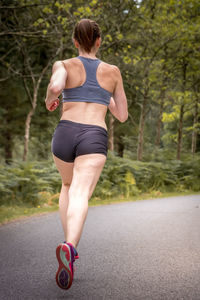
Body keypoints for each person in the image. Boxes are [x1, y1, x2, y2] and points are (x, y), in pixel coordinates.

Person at [45, 18, 128, 290]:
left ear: (75, 41)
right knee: (81, 193)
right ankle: (70, 245)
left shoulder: (64, 65)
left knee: (67, 186)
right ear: (99, 41)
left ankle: (68, 243)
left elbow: (56, 88)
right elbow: (122, 115)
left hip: (65, 132)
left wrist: (50, 101)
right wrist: (104, 95)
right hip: (93, 134)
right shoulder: (113, 71)